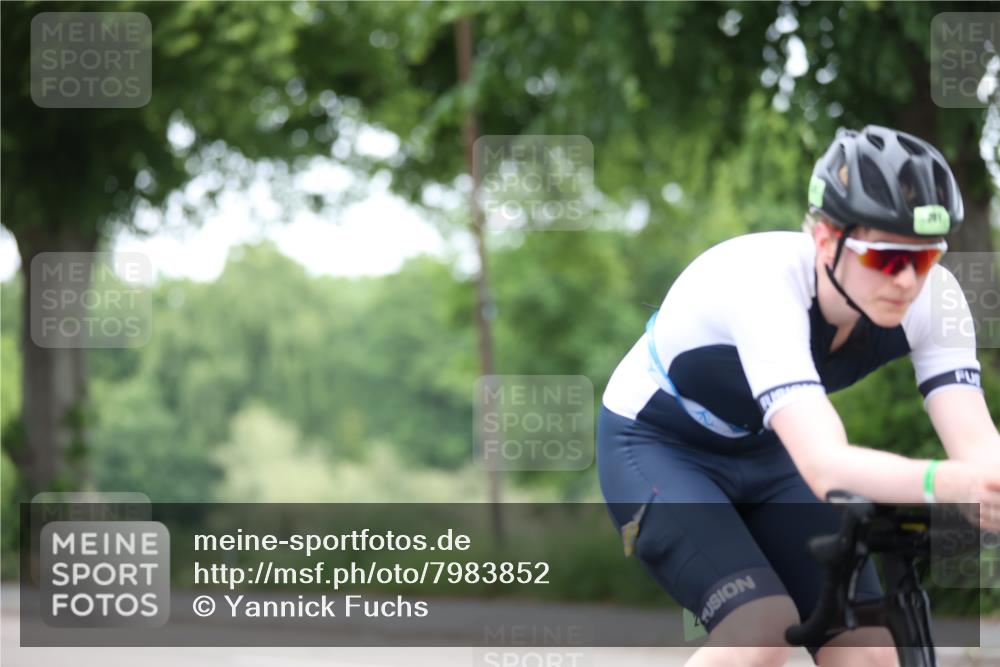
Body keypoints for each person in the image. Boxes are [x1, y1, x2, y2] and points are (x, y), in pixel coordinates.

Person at [597, 125, 1000, 667]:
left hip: (771, 450)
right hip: (659, 445)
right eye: (885, 258)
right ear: (825, 240)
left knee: (869, 651)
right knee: (760, 631)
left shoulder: (937, 299)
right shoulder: (765, 285)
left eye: (925, 258)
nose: (907, 281)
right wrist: (946, 483)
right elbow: (827, 465)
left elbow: (977, 447)